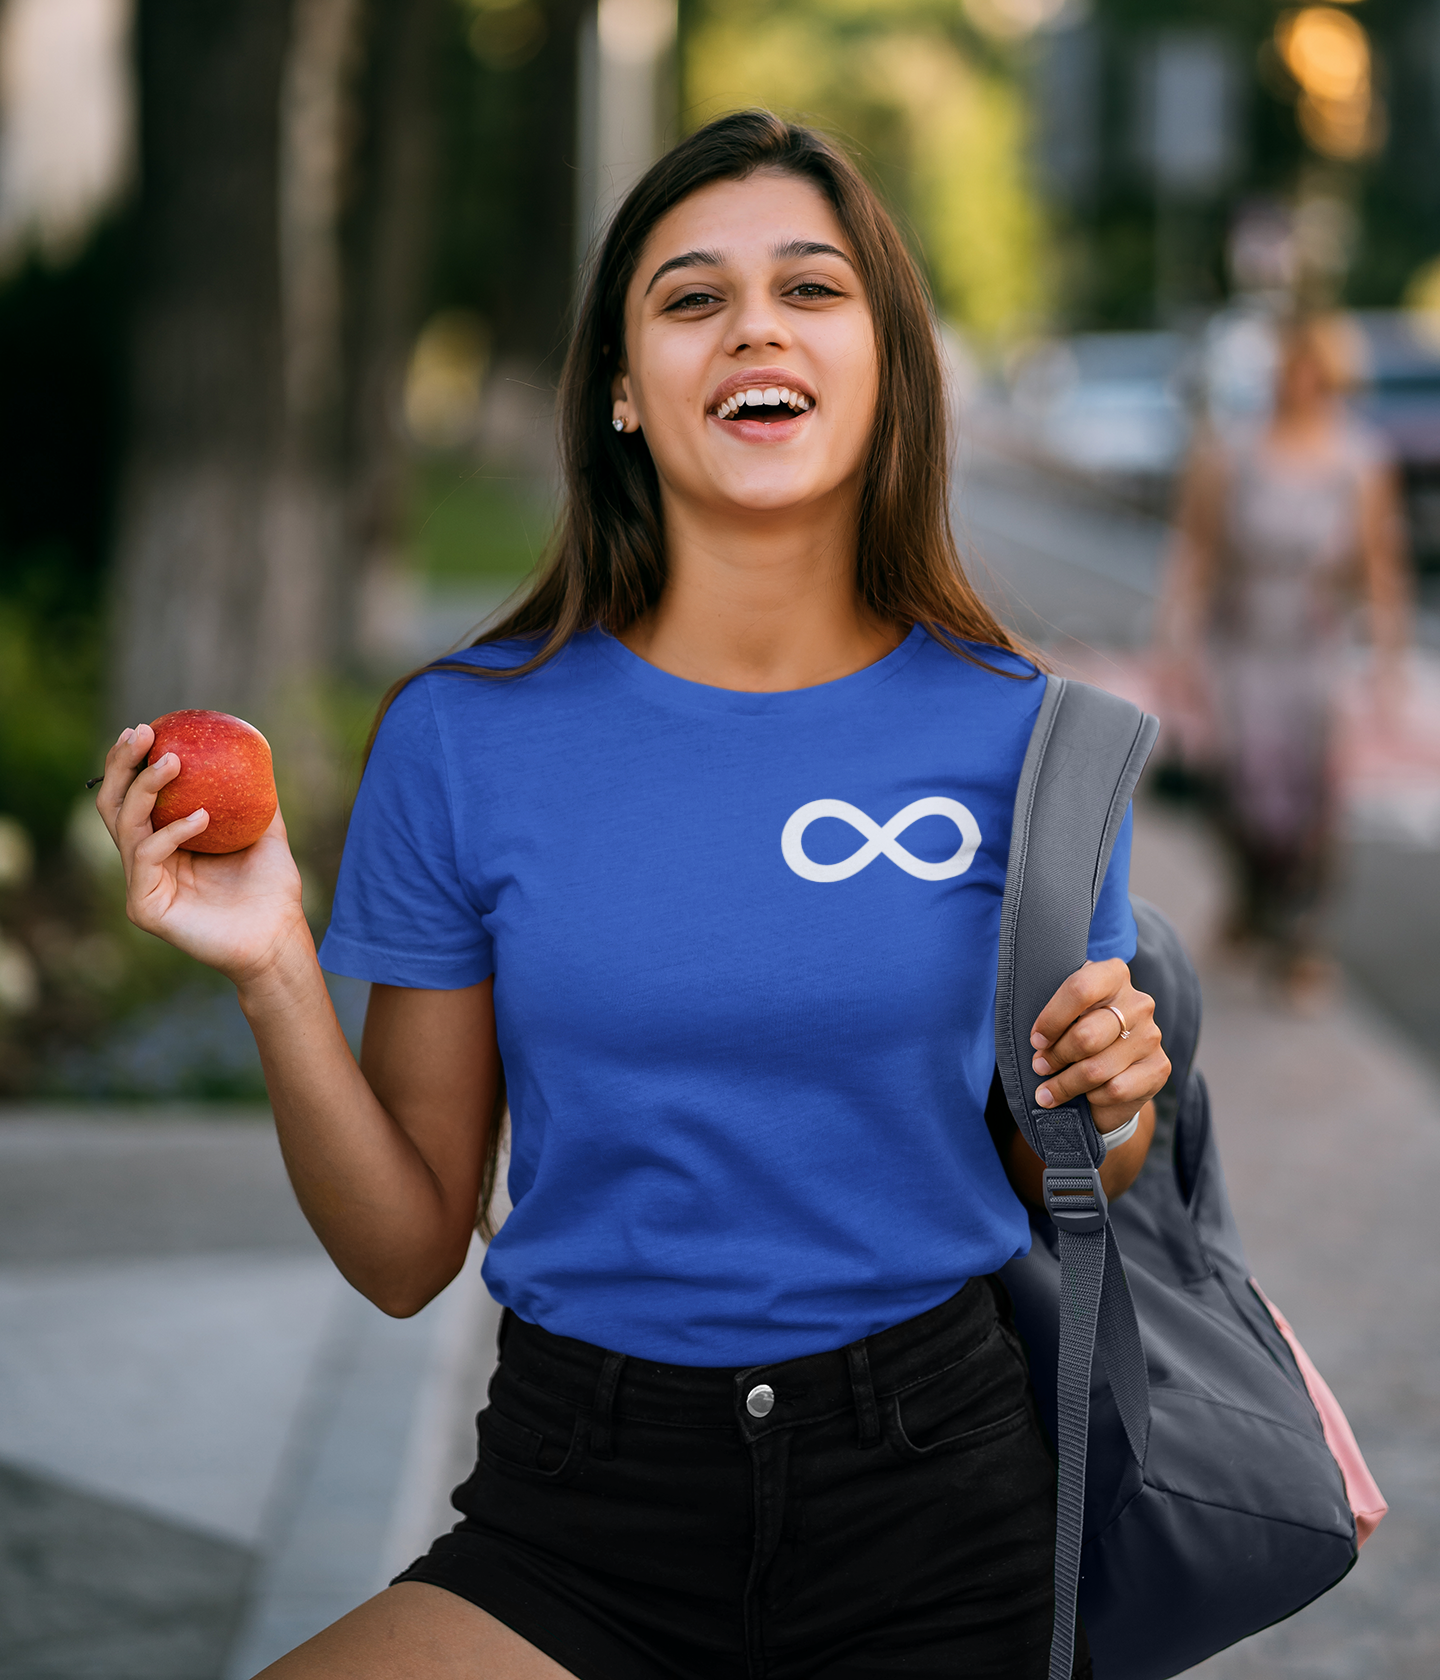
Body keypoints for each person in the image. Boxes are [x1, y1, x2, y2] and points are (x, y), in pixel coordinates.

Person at [96, 112, 1170, 1680]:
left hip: (935, 1505)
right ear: (619, 386)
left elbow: (1062, 1171)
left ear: (886, 364)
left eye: (811, 289)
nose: (755, 327)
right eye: (691, 297)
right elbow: (403, 1256)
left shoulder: (1031, 738)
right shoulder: (460, 738)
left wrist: (1113, 1104)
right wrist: (272, 966)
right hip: (583, 1503)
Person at [1158, 314, 1409, 996]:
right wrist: (1174, 641)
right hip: (1240, 641)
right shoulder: (1231, 453)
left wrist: (1388, 662)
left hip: (1312, 644)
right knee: (1238, 782)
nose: (1301, 386)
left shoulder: (1360, 460)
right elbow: (1195, 550)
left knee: (1311, 788)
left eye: (1315, 374)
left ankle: (1301, 934)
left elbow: (1380, 566)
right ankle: (1251, 899)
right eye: (1292, 371)